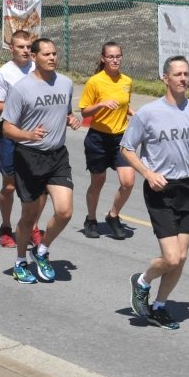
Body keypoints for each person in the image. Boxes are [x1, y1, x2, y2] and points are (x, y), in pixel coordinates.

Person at [122, 55, 189, 330]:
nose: (183, 79)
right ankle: (142, 280)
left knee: (182, 257)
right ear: (165, 78)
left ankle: (159, 306)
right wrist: (148, 174)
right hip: (159, 189)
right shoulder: (149, 113)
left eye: (186, 74)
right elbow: (126, 149)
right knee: (171, 257)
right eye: (178, 74)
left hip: (187, 188)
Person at [1, 38, 81, 284]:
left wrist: (71, 119)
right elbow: (6, 128)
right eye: (46, 54)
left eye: (55, 53)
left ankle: (42, 249)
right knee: (29, 215)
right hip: (29, 156)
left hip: (57, 156)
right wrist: (28, 135)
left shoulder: (66, 83)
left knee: (65, 212)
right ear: (34, 57)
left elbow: (64, 111)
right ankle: (20, 261)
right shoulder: (21, 89)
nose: (52, 58)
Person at [0, 30, 44, 249]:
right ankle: (5, 226)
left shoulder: (38, 69)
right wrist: (20, 104)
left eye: (29, 46)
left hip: (34, 134)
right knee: (10, 186)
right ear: (11, 48)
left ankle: (33, 227)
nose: (26, 51)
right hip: (10, 135)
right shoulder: (4, 73)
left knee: (37, 186)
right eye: (21, 47)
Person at [79, 41, 136, 239]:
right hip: (98, 138)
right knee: (98, 181)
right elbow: (84, 110)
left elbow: (123, 104)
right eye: (111, 57)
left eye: (118, 56)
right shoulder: (95, 82)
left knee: (128, 182)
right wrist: (101, 104)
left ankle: (113, 216)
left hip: (121, 138)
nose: (115, 60)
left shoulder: (127, 81)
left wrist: (133, 113)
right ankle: (91, 219)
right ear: (103, 59)